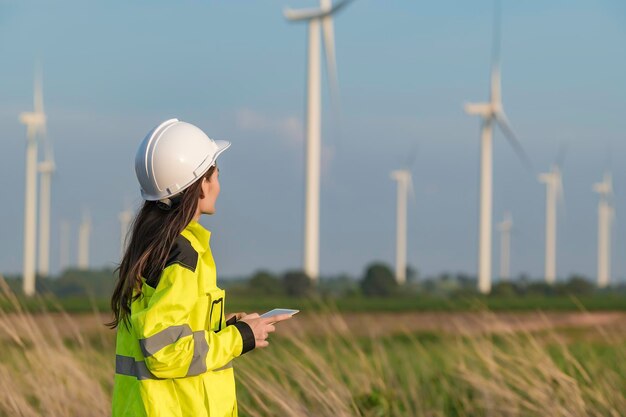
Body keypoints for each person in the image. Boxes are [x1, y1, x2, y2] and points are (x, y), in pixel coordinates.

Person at [109, 118, 292, 416]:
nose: (219, 184)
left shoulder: (156, 246)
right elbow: (164, 352)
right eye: (216, 175)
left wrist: (225, 328)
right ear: (201, 186)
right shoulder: (182, 256)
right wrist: (239, 338)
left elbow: (170, 330)